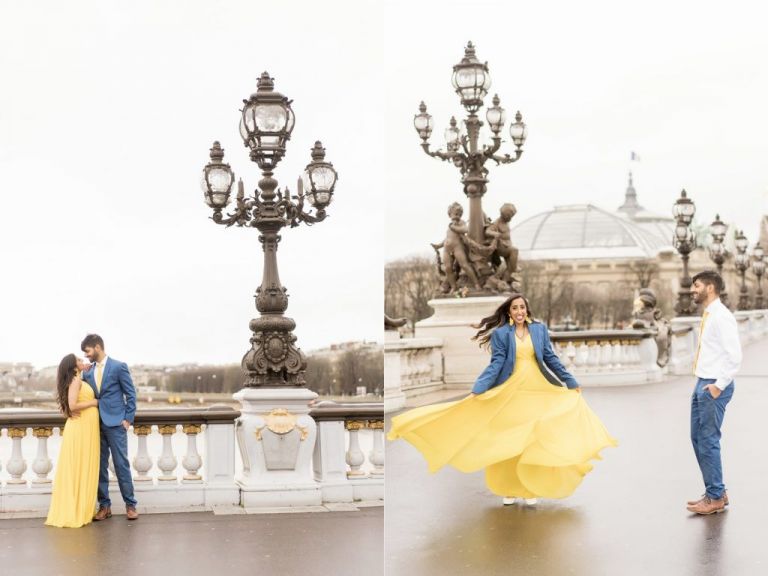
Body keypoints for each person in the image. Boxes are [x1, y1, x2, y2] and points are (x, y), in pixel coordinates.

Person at [387, 293, 617, 505]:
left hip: (537, 389)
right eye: (515, 307)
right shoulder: (501, 334)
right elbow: (496, 363)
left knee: (532, 439)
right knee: (509, 440)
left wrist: (570, 380)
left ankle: (530, 490)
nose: (519, 311)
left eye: (523, 307)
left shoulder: (538, 330)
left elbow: (550, 358)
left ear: (527, 310)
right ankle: (509, 490)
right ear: (509, 311)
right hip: (511, 390)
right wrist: (479, 387)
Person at [686, 270, 741, 515]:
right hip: (703, 382)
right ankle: (716, 490)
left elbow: (734, 356)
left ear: (710, 288)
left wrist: (718, 385)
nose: (692, 289)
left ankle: (715, 496)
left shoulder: (721, 316)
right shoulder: (709, 315)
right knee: (698, 438)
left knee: (708, 440)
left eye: (696, 285)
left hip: (714, 384)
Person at [80, 334, 139, 520]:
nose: (86, 355)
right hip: (96, 425)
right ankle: (105, 506)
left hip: (116, 424)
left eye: (87, 351)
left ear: (97, 347)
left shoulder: (118, 367)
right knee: (99, 466)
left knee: (121, 465)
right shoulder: (87, 372)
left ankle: (130, 505)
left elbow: (131, 394)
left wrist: (127, 419)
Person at [45, 354, 101, 528]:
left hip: (84, 426)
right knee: (80, 466)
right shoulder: (76, 380)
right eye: (79, 360)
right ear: (73, 365)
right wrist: (94, 402)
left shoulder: (78, 378)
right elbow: (72, 406)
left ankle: (80, 507)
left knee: (80, 465)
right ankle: (77, 510)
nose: (83, 361)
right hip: (81, 427)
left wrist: (86, 369)